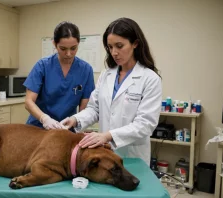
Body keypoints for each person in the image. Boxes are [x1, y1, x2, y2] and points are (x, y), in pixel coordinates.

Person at [61, 17, 162, 165]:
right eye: (110, 47)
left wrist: (108, 136)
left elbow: (145, 124)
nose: (114, 52)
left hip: (133, 155)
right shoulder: (107, 74)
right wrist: (75, 119)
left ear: (135, 44)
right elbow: (94, 109)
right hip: (106, 152)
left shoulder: (150, 78)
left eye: (119, 46)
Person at [23, 21, 95, 130]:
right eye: (63, 49)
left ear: (78, 44)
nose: (68, 54)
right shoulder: (42, 66)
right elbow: (28, 102)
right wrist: (44, 118)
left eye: (73, 48)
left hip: (66, 129)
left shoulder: (86, 70)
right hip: (38, 128)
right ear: (54, 44)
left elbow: (84, 109)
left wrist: (77, 123)